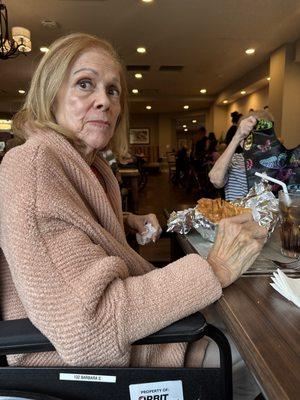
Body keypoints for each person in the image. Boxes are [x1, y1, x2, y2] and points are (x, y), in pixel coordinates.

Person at [0, 33, 266, 399]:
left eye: (112, 91)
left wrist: (121, 219)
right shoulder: (31, 166)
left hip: (118, 340)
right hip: (76, 367)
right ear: (51, 94)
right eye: (84, 84)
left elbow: (59, 226)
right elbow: (87, 327)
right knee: (264, 350)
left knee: (247, 318)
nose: (103, 102)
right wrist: (216, 267)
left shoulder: (86, 166)